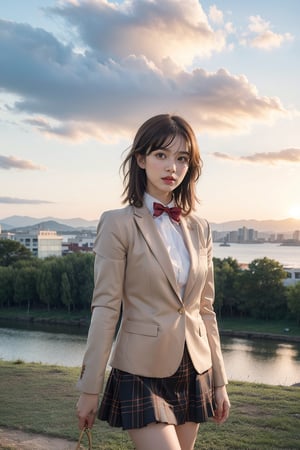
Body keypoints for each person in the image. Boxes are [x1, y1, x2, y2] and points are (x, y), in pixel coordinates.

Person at [76, 114, 230, 450]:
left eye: (182, 158)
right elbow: (105, 307)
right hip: (140, 368)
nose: (171, 167)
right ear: (141, 159)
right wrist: (90, 388)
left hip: (194, 367)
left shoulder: (200, 227)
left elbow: (205, 309)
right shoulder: (117, 223)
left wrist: (220, 382)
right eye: (161, 155)